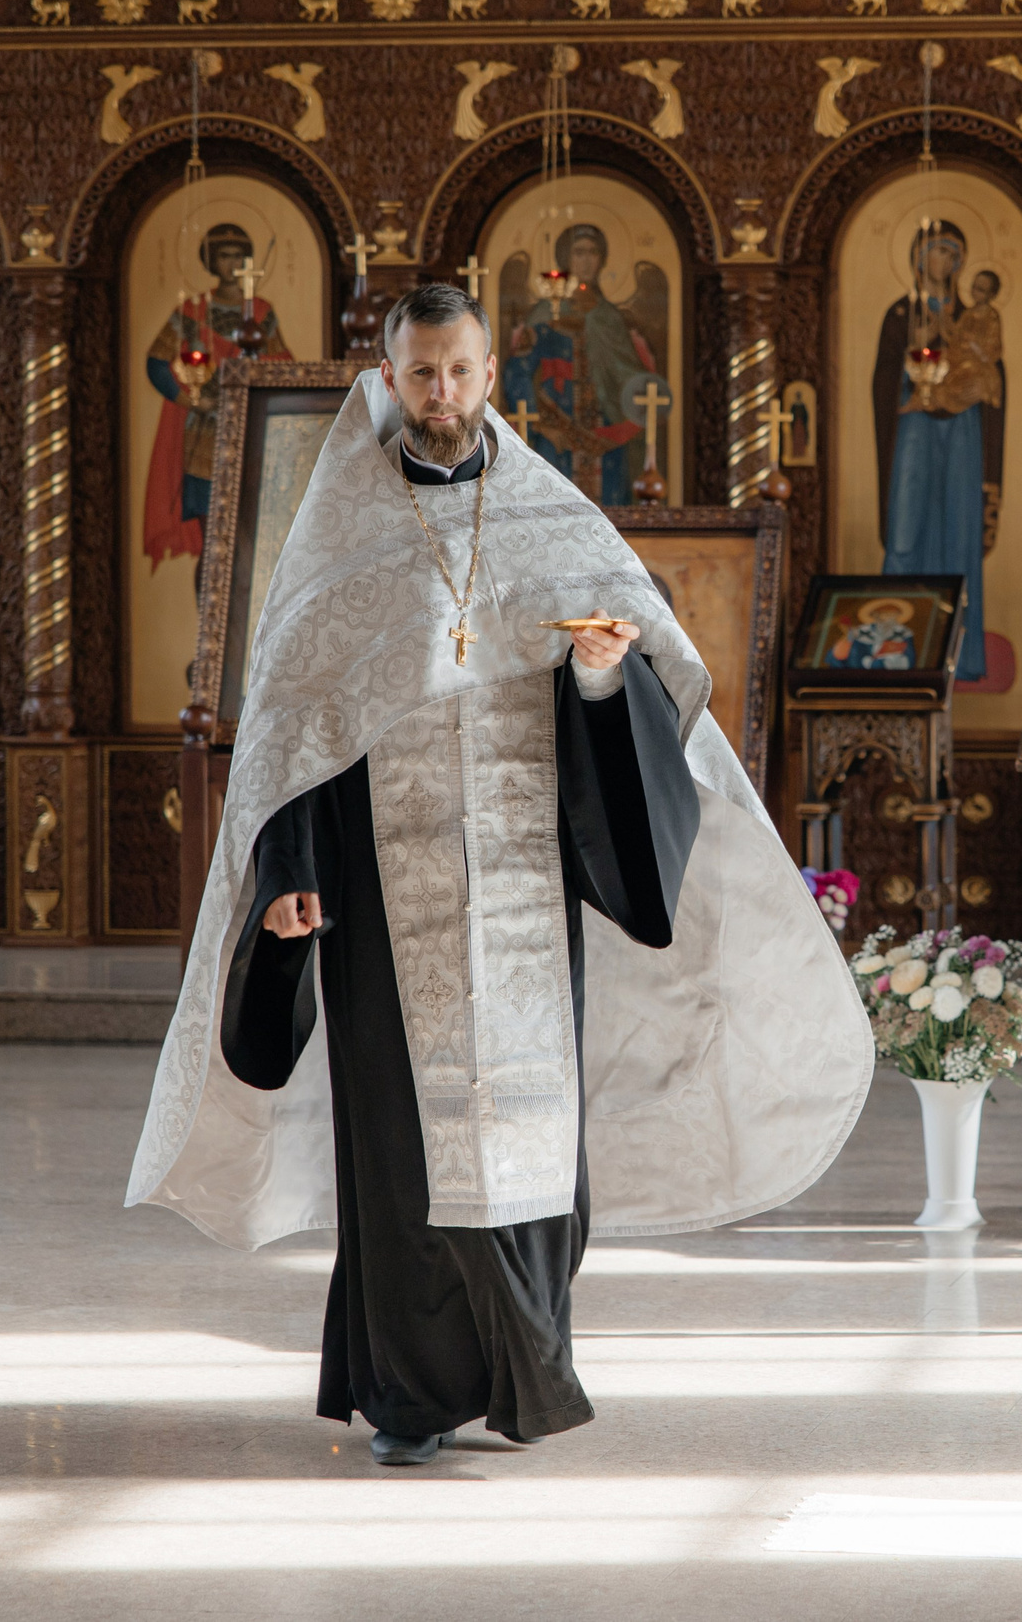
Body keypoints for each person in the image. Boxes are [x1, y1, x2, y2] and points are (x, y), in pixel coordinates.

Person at [128, 284, 871, 1464]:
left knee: (531, 1138)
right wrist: (287, 869)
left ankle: (526, 1372)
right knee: (405, 1148)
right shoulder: (339, 534)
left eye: (462, 373)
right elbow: (291, 728)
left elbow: (640, 683)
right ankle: (410, 1401)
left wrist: (591, 674)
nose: (442, 396)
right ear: (387, 377)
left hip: (525, 885)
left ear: (490, 375)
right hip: (379, 895)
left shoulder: (548, 516)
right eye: (421, 375)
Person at [871, 221, 1004, 682]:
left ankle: (961, 658)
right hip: (913, 427)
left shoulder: (975, 317)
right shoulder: (898, 315)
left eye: (950, 252)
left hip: (962, 430)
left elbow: (991, 377)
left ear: (960, 262)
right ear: (916, 257)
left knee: (959, 527)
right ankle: (895, 651)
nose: (940, 261)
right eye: (932, 251)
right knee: (906, 523)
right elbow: (884, 379)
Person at [142, 223, 292, 569]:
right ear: (211, 260)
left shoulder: (260, 313)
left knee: (248, 539)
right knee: (212, 547)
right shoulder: (193, 311)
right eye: (224, 255)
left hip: (251, 431)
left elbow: (285, 366)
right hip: (203, 438)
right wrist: (192, 401)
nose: (231, 262)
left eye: (238, 255)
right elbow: (156, 364)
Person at [499, 223, 671, 505]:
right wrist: (539, 424)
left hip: (605, 438)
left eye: (593, 253)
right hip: (557, 435)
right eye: (579, 253)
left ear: (602, 259)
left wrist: (645, 394)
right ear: (566, 258)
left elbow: (627, 373)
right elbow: (518, 371)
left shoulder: (610, 317)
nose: (586, 260)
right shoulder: (545, 313)